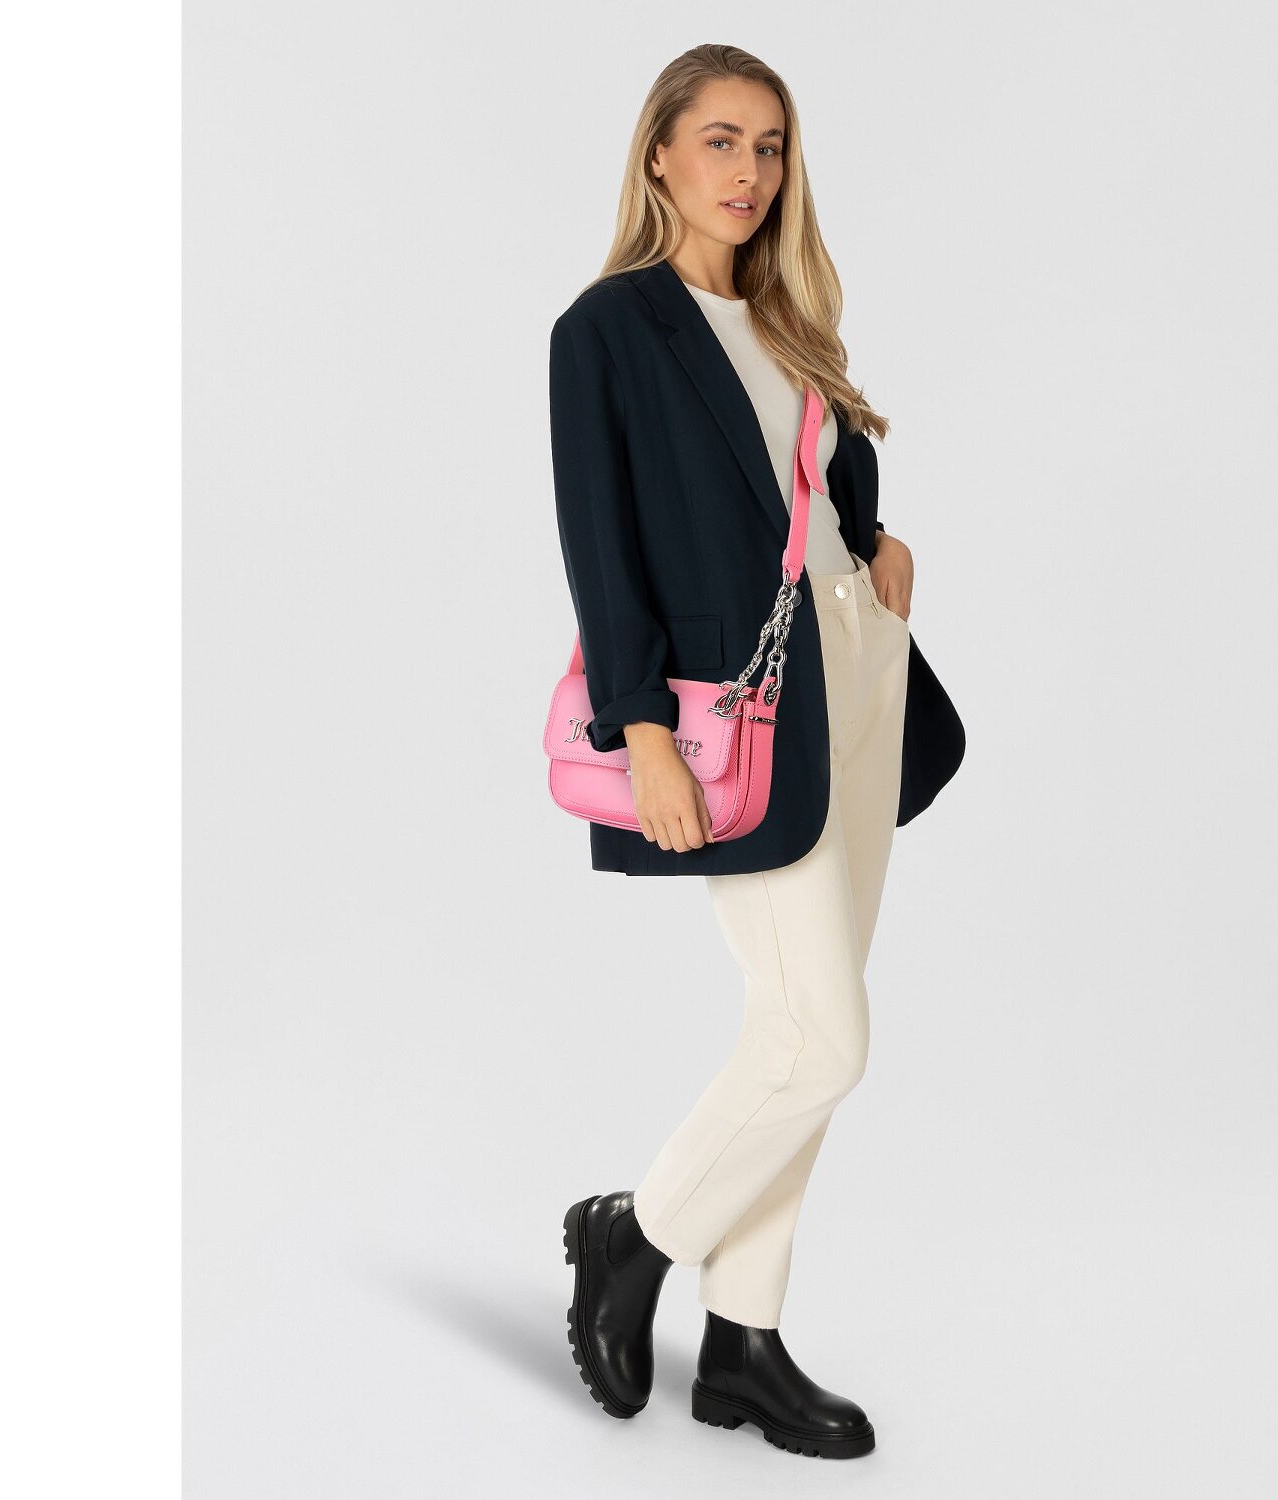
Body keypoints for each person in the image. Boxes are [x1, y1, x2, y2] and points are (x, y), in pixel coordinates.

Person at [550, 44, 965, 1460]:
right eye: (720, 140)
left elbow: (823, 490)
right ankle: (633, 1235)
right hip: (737, 712)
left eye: (770, 146)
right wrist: (641, 733)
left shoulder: (789, 317)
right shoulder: (607, 331)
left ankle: (743, 1342)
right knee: (825, 1040)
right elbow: (602, 550)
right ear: (659, 154)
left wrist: (879, 541)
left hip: (856, 675)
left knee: (803, 1026)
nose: (748, 171)